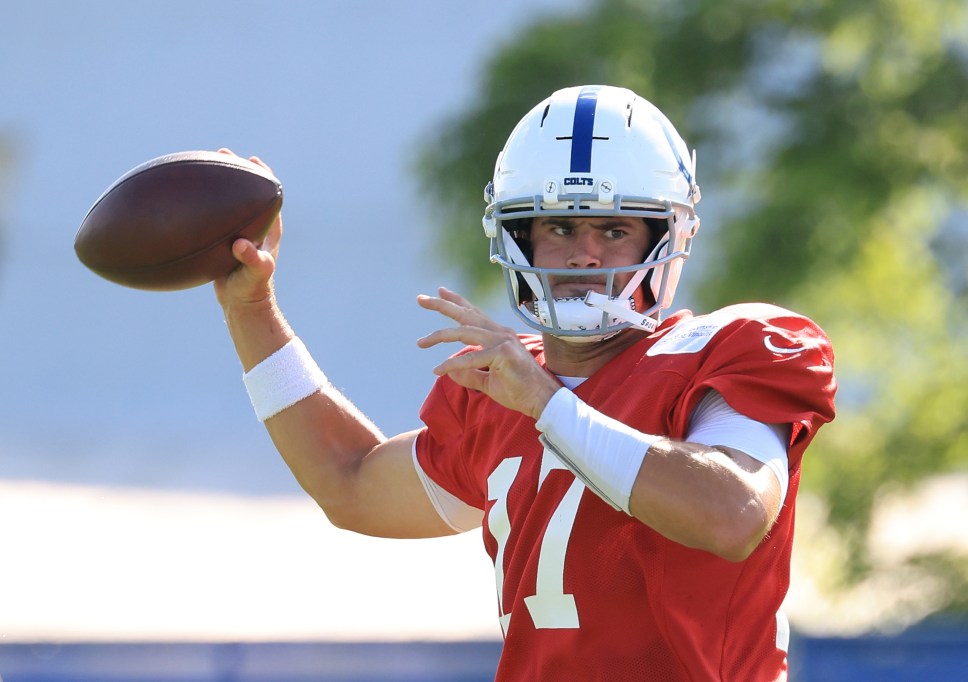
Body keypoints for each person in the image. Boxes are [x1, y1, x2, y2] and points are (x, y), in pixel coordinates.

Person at [214, 84, 836, 681]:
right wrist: (251, 309)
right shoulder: (499, 386)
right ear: (518, 238)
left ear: (668, 237)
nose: (584, 256)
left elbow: (731, 514)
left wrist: (547, 403)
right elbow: (348, 482)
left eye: (614, 230)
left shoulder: (727, 349)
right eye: (560, 228)